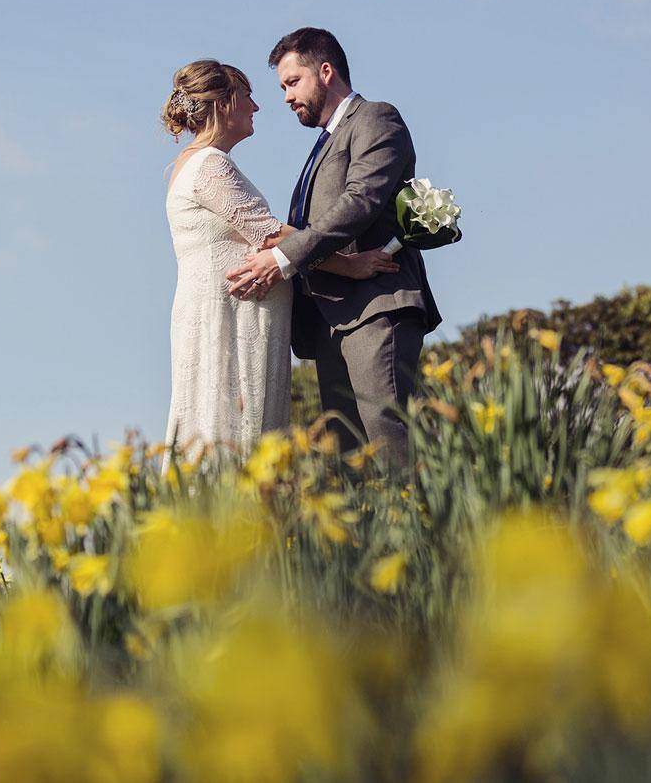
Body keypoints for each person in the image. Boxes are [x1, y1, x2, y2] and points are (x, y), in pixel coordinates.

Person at [226, 29, 441, 467]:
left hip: (375, 309)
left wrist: (283, 257)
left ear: (326, 72)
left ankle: (422, 534)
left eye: (292, 82)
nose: (286, 97)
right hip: (328, 322)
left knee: (391, 443)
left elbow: (360, 201)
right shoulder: (321, 144)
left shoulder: (376, 119)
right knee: (351, 463)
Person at [161, 59, 398, 455]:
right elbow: (271, 234)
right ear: (224, 103)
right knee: (235, 433)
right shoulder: (210, 166)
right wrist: (351, 266)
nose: (256, 107)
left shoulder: (197, 163)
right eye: (248, 96)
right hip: (230, 326)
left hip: (229, 316)